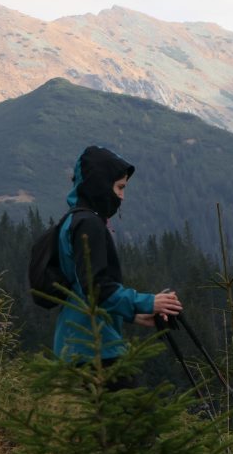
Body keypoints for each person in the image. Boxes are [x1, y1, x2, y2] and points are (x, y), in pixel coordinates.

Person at [52, 145, 182, 386]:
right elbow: (97, 287)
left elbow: (84, 291)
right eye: (119, 187)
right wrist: (148, 302)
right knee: (134, 421)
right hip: (95, 350)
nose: (122, 196)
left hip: (78, 345)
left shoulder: (74, 219)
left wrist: (134, 314)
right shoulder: (88, 223)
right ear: (100, 184)